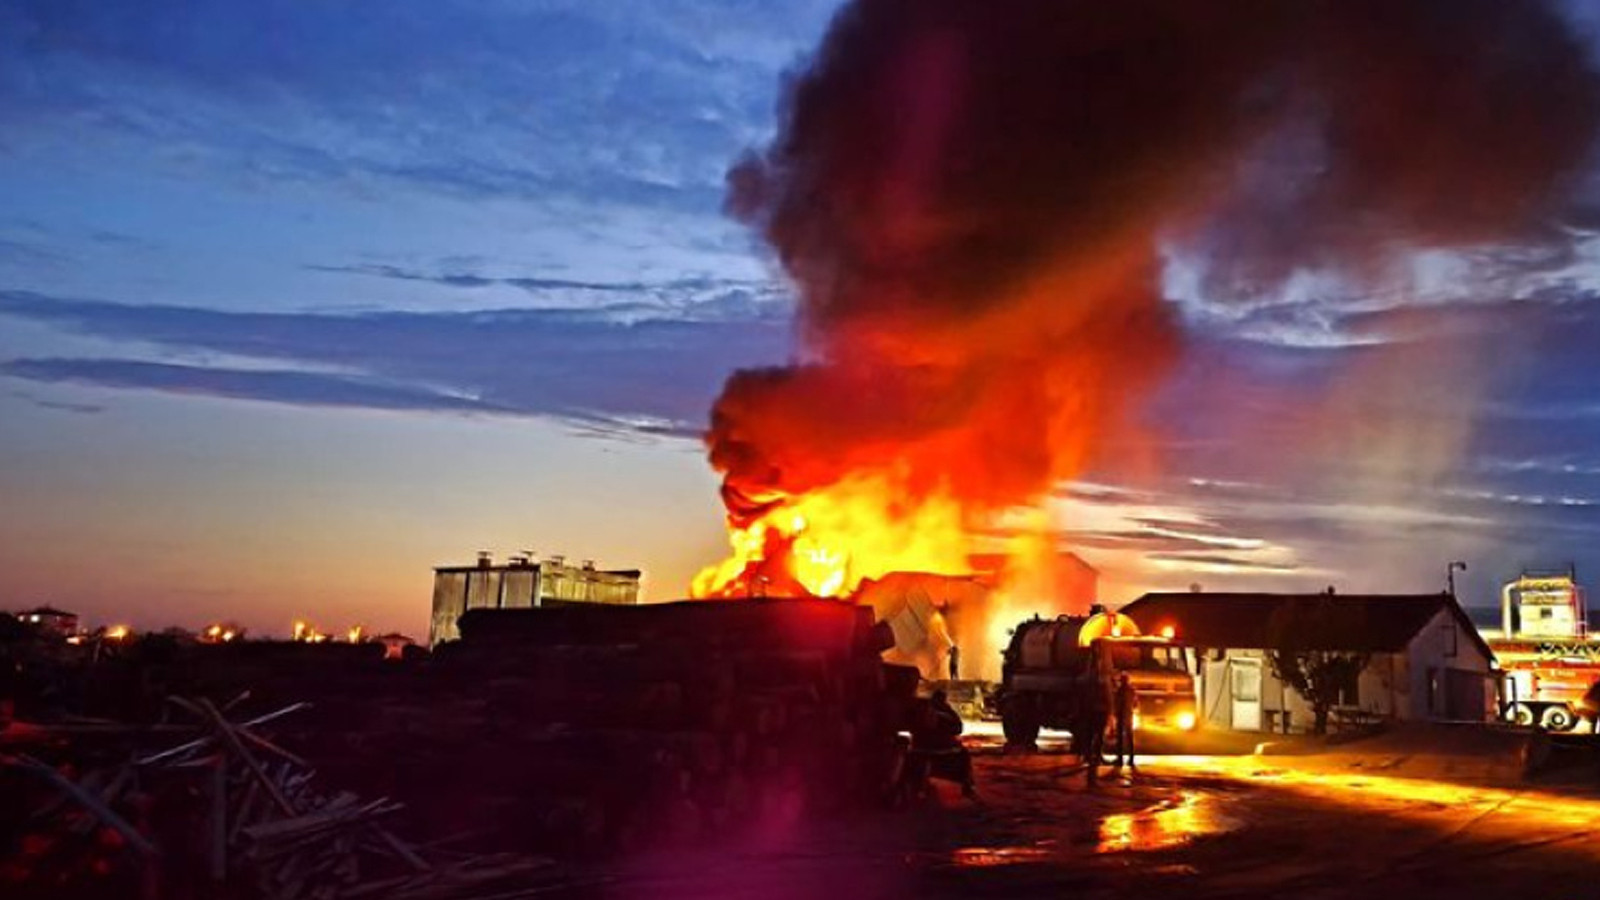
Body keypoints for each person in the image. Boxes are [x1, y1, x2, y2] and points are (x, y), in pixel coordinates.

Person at [909, 689, 977, 799]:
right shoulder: (945, 712)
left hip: (921, 747)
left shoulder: (921, 709)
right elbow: (958, 728)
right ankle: (967, 785)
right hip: (938, 749)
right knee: (963, 755)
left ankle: (967, 784)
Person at [1079, 673, 1110, 786]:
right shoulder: (1099, 694)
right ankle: (1094, 759)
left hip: (1094, 717)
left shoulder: (1090, 692)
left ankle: (1091, 757)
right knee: (1096, 739)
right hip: (1097, 717)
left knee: (1092, 738)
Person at [1110, 673, 1138, 773]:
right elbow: (1135, 704)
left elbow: (1116, 703)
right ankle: (1131, 759)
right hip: (1129, 716)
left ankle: (1120, 759)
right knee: (1129, 739)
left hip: (1121, 716)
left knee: (1120, 739)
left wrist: (1115, 713)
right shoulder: (1132, 690)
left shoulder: (1119, 691)